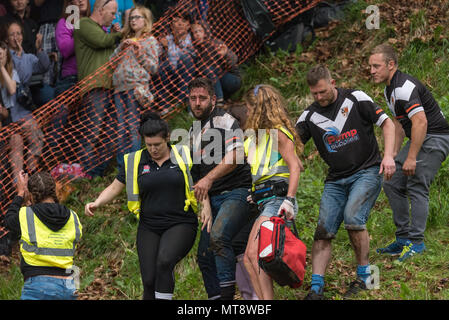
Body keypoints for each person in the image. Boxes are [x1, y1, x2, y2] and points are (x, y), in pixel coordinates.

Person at [85, 111, 211, 300]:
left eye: (157, 145)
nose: (153, 149)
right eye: (149, 145)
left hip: (181, 222)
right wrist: (97, 202)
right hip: (149, 225)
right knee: (149, 279)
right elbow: (114, 187)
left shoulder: (183, 154)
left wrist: (206, 205)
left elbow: (199, 183)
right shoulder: (135, 161)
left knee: (165, 261)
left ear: (167, 138)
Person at [295, 64, 396, 299]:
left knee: (353, 218)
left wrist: (389, 155)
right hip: (336, 179)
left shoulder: (355, 98)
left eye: (322, 91)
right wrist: (293, 158)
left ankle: (364, 277)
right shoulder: (310, 115)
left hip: (367, 170)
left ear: (332, 83)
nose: (319, 97)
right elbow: (291, 143)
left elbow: (387, 123)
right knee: (323, 230)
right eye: (314, 94)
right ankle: (316, 288)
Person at [369, 44, 449, 262]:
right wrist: (393, 157)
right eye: (370, 66)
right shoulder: (389, 89)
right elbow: (399, 123)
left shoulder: (404, 87)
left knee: (416, 185)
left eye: (376, 66)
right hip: (420, 136)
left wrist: (411, 157)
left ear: (391, 64)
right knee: (392, 181)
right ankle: (403, 239)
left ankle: (417, 243)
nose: (372, 70)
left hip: (435, 137)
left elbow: (420, 121)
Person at [188, 77, 252, 300]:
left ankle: (227, 297)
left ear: (213, 99)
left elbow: (236, 156)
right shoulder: (193, 131)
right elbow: (196, 176)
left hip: (237, 191)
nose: (197, 103)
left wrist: (209, 179)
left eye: (202, 98)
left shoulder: (225, 120)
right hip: (211, 198)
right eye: (193, 98)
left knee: (218, 236)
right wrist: (204, 204)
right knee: (204, 256)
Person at [237, 84, 302, 300]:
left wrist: (290, 200)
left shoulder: (278, 135)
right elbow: (261, 171)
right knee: (249, 258)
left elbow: (295, 166)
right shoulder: (254, 139)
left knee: (256, 255)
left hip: (279, 200)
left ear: (256, 109)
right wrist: (255, 192)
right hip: (265, 200)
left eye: (248, 108)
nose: (246, 113)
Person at [5, 170, 83, 300]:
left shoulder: (26, 214)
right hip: (69, 285)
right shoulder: (72, 216)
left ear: (30, 194)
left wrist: (20, 194)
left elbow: (8, 220)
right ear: (55, 191)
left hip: (38, 286)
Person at [74, 0, 121, 178]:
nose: (114, 16)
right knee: (92, 131)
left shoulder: (105, 31)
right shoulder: (83, 24)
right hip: (94, 87)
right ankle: (83, 174)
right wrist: (121, 34)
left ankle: (95, 173)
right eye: (112, 12)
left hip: (109, 87)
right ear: (101, 10)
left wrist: (116, 36)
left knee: (112, 131)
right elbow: (101, 41)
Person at [110, 4, 159, 170]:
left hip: (135, 88)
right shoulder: (125, 40)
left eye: (137, 17)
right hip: (119, 88)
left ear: (146, 20)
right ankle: (121, 167)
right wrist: (121, 49)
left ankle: (135, 165)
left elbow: (153, 68)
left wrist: (139, 53)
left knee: (132, 127)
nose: (133, 20)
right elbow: (111, 63)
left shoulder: (150, 41)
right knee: (120, 127)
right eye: (131, 18)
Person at [0, 40, 43, 180]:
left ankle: (31, 172)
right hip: (7, 122)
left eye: (2, 55)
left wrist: (2, 67)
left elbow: (12, 89)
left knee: (36, 134)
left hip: (18, 118)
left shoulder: (11, 72)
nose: (0, 58)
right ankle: (17, 186)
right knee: (16, 142)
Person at [191, 20, 241, 106]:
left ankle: (219, 101)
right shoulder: (195, 50)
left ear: (206, 31)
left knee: (208, 69)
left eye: (200, 31)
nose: (198, 34)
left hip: (231, 80)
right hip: (215, 84)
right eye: (195, 32)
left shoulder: (215, 43)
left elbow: (234, 60)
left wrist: (225, 55)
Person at [156, 9, 195, 110]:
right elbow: (156, 56)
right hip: (170, 76)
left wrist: (178, 41)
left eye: (183, 21)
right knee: (159, 66)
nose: (179, 24)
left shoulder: (193, 39)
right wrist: (163, 47)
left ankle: (181, 102)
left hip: (188, 76)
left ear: (189, 25)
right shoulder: (167, 38)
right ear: (172, 25)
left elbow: (193, 55)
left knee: (185, 58)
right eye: (176, 21)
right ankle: (165, 105)